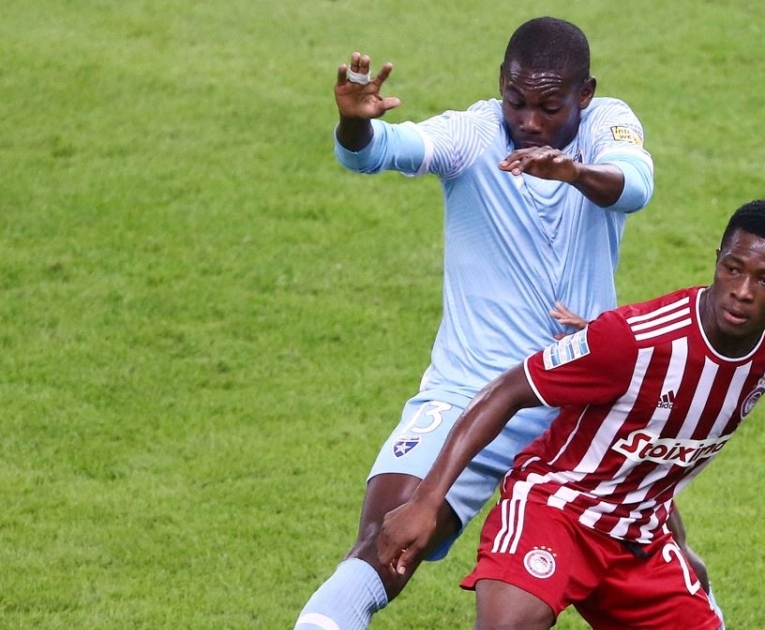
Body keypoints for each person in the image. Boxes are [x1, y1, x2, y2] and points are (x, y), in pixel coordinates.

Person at [294, 16, 720, 630]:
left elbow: (635, 185)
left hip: (580, 403)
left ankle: (682, 564)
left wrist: (571, 171)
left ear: (585, 93)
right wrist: (356, 124)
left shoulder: (607, 124)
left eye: (549, 107)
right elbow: (376, 152)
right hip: (471, 393)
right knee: (385, 542)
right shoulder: (472, 136)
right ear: (501, 83)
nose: (529, 122)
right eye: (517, 101)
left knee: (663, 579)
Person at [377, 199, 765, 630]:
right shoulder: (632, 341)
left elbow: (662, 449)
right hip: (556, 509)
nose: (743, 291)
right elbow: (504, 392)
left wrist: (680, 546)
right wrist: (426, 501)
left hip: (638, 538)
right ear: (717, 260)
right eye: (733, 269)